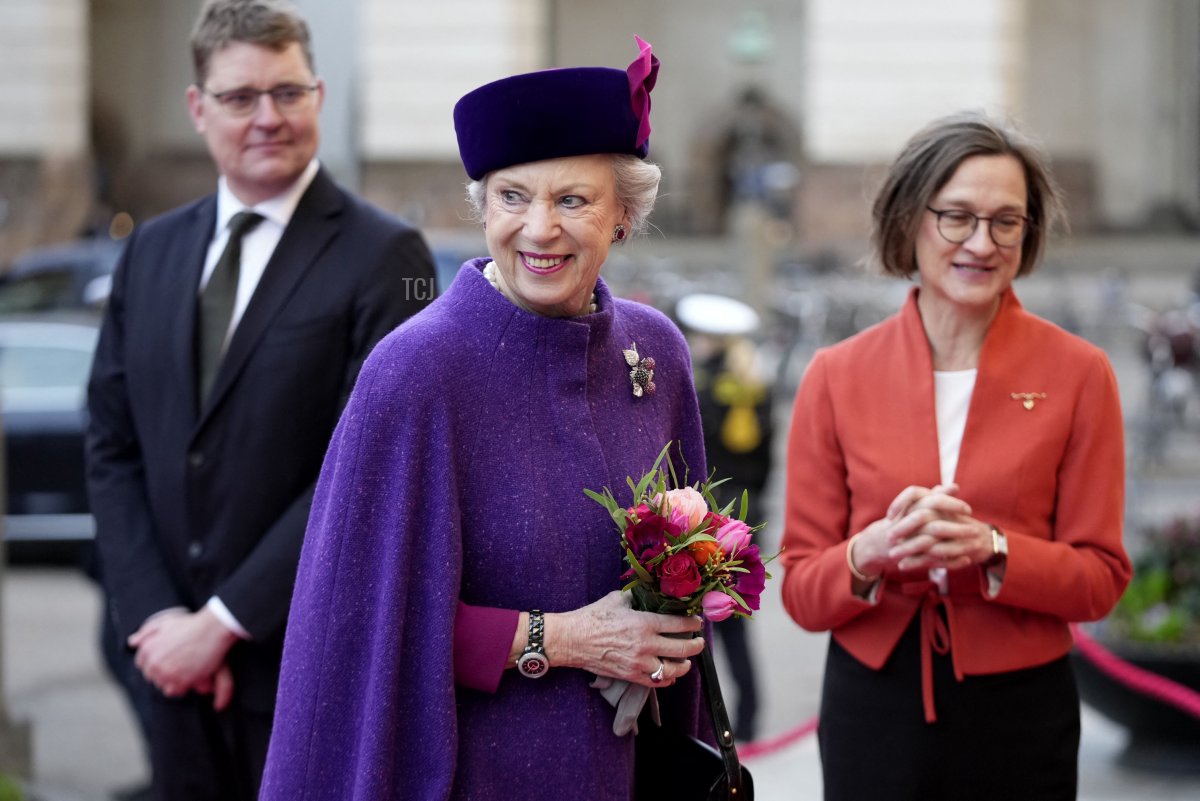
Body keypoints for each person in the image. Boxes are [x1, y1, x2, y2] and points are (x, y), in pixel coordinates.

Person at [259, 37, 709, 801]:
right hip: (475, 777)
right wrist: (563, 639)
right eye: (512, 196)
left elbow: (693, 579)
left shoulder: (655, 351)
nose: (538, 229)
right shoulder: (416, 371)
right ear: (483, 206)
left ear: (623, 216)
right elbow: (362, 627)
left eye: (572, 199)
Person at [84, 1, 436, 798]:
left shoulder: (391, 256)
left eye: (288, 92)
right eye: (241, 97)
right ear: (197, 107)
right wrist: (157, 622)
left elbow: (369, 466)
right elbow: (111, 443)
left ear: (317, 94)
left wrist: (223, 623)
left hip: (302, 665)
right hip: (168, 667)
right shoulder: (149, 250)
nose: (267, 117)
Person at [779, 111, 1132, 801]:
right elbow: (799, 589)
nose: (983, 242)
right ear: (911, 219)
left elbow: (1100, 577)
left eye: (1008, 221)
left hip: (1021, 708)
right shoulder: (835, 373)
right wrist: (868, 551)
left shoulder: (1081, 372)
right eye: (958, 217)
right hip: (872, 701)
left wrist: (995, 547)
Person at [677, 292, 773, 741]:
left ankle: (715, 728)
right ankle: (750, 718)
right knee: (736, 629)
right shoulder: (757, 388)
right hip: (743, 527)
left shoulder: (704, 389)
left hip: (710, 526)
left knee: (706, 630)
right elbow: (767, 465)